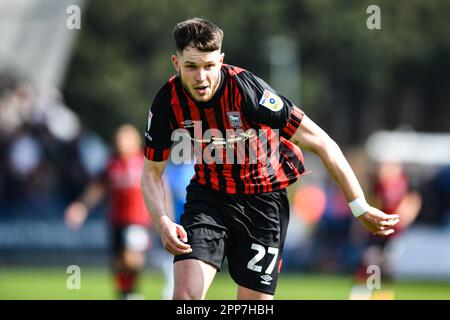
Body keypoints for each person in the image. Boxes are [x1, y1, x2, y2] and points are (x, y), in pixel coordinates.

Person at [141, 17, 399, 300]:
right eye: (191, 66)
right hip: (209, 199)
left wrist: (359, 206)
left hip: (263, 204)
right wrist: (162, 221)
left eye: (208, 66)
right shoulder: (167, 101)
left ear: (221, 60)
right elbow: (152, 172)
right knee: (185, 299)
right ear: (176, 64)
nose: (201, 77)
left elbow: (322, 142)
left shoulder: (248, 92)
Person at [65, 124, 174, 299]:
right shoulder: (111, 164)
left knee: (130, 257)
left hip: (139, 220)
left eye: (125, 138)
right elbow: (97, 187)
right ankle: (128, 294)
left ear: (135, 141)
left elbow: (162, 187)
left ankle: (165, 267)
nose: (120, 142)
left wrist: (166, 214)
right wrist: (81, 206)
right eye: (118, 139)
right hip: (116, 221)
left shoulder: (145, 162)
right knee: (118, 263)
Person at [349, 161, 421, 300]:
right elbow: (372, 204)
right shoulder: (378, 185)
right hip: (377, 231)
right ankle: (361, 294)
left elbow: (413, 201)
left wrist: (405, 216)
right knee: (370, 264)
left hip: (395, 233)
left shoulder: (406, 182)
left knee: (387, 267)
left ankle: (383, 296)